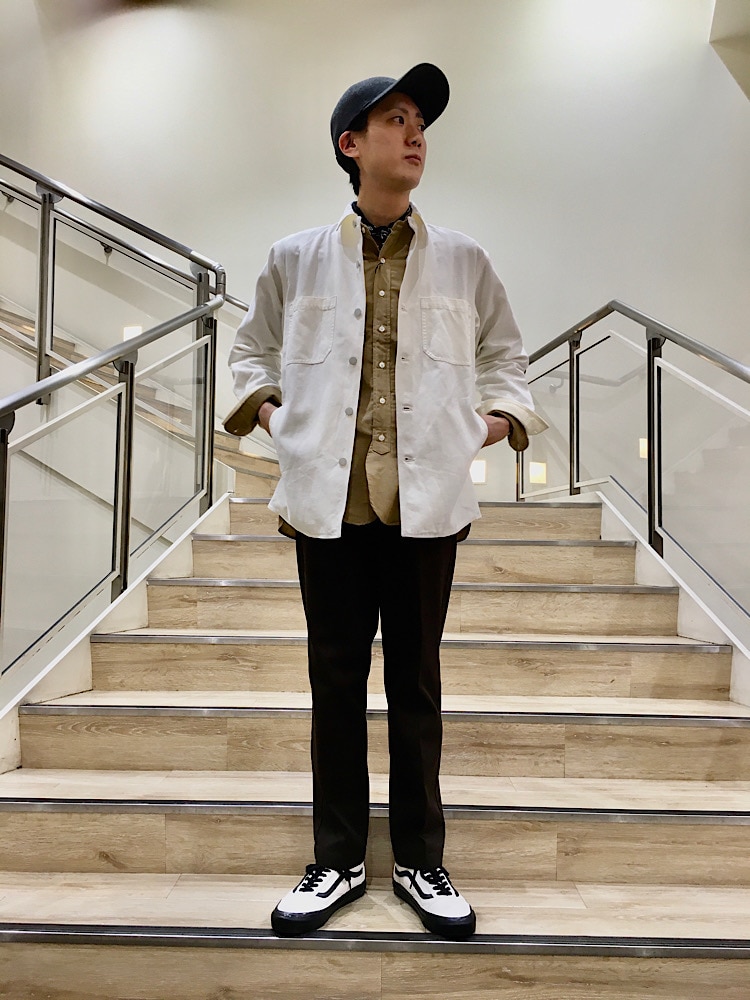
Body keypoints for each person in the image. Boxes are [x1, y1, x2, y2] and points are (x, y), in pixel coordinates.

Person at [225, 62, 546, 941]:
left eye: (421, 123)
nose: (416, 135)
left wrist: (491, 424)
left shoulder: (465, 260)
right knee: (334, 685)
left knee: (416, 685)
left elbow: (507, 357)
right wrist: (274, 416)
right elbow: (250, 352)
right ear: (351, 144)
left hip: (425, 507)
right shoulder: (294, 257)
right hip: (327, 507)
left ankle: (418, 860)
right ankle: (335, 859)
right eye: (396, 119)